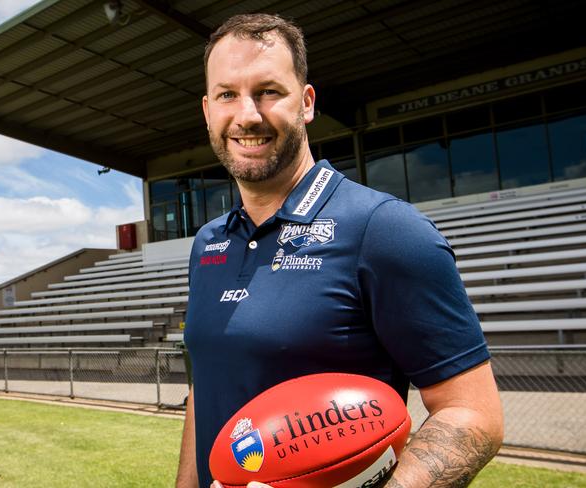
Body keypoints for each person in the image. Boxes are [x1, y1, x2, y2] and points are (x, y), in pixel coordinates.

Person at [176, 13, 504, 488]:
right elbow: (200, 390)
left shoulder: (386, 229)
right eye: (227, 94)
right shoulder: (208, 244)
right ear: (208, 110)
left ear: (306, 103)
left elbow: (473, 413)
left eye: (268, 91)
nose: (247, 114)